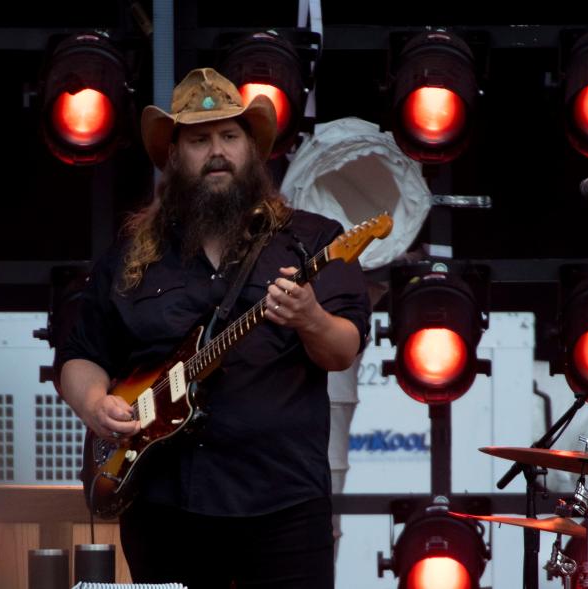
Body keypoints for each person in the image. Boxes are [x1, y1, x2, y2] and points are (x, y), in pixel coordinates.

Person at [57, 67, 371, 589]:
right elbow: (80, 353)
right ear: (175, 156)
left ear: (252, 150)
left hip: (283, 505)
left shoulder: (312, 240)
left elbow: (342, 350)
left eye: (230, 136)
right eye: (199, 140)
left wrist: (310, 317)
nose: (217, 150)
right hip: (165, 506)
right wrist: (94, 405)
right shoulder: (134, 257)